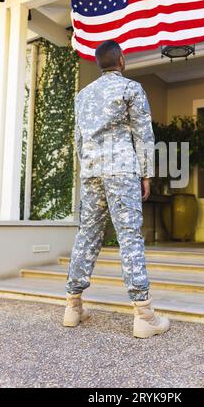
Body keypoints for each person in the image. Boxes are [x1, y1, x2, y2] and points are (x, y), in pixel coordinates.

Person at [63, 40, 170, 338]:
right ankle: (144, 315)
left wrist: (88, 167)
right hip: (122, 169)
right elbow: (143, 134)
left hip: (91, 171)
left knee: (87, 235)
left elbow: (79, 140)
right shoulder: (132, 89)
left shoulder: (82, 96)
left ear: (99, 64)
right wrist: (146, 175)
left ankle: (73, 306)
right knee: (129, 236)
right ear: (121, 60)